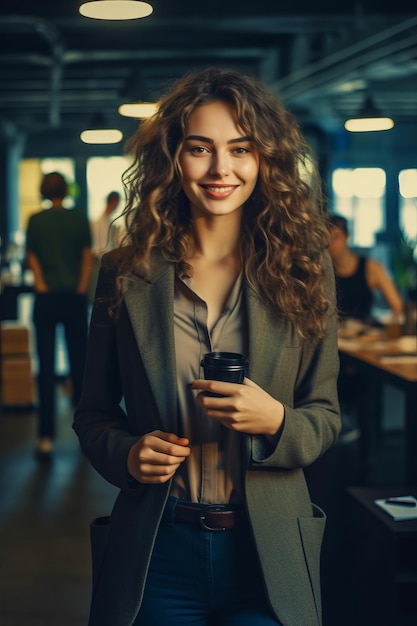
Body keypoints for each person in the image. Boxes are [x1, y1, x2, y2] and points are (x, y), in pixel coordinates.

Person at [73, 68, 341, 626]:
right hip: (157, 548)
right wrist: (126, 453)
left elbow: (325, 416)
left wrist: (274, 421)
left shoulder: (303, 268)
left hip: (268, 555)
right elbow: (93, 413)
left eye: (241, 149)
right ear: (173, 158)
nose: (222, 169)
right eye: (201, 148)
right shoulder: (124, 273)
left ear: (264, 160)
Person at [26, 172, 93, 460]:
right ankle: (85, 436)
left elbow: (32, 256)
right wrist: (80, 287)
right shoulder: (79, 218)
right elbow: (88, 256)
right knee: (80, 367)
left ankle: (45, 437)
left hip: (46, 298)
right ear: (66, 190)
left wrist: (40, 282)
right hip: (74, 298)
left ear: (43, 190)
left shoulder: (36, 220)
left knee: (46, 367)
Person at [327, 213, 403, 324]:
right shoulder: (324, 272)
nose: (332, 244)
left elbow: (397, 306)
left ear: (347, 236)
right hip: (336, 338)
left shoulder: (371, 268)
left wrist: (390, 329)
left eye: (336, 237)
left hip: (366, 336)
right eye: (327, 240)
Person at [89, 191, 121, 299]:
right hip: (102, 263)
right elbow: (100, 248)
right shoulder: (100, 223)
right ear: (114, 202)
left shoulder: (107, 222)